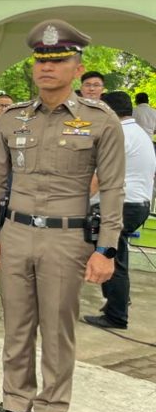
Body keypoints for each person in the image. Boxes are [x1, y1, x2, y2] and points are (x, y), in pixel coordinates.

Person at [0, 19, 124, 412]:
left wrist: (106, 248)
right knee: (16, 325)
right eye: (41, 60)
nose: (47, 67)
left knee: (57, 330)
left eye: (58, 60)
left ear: (77, 69)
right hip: (15, 233)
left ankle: (49, 410)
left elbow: (113, 188)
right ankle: (15, 401)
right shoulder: (12, 119)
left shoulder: (100, 120)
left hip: (67, 239)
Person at [82, 91, 155, 330]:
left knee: (109, 254)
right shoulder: (139, 134)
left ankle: (116, 314)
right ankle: (118, 301)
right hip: (138, 204)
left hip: (122, 205)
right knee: (115, 255)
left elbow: (99, 178)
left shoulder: (118, 134)